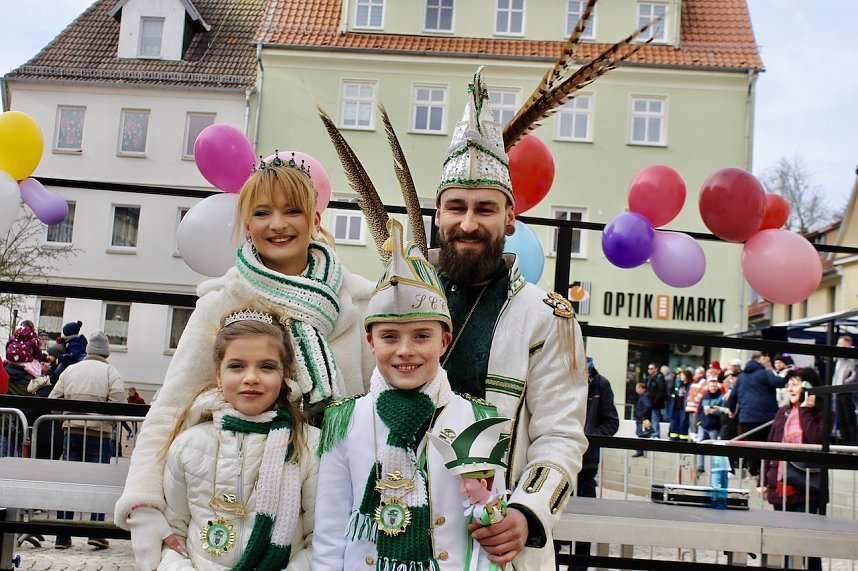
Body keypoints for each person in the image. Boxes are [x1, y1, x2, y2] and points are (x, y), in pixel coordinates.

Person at [115, 152, 375, 570]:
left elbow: (370, 413)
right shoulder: (223, 301)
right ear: (247, 224)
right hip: (223, 500)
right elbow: (171, 407)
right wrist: (144, 506)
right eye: (262, 212)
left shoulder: (357, 303)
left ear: (314, 219)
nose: (278, 224)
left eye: (292, 211)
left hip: (325, 508)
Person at [429, 68, 588, 568]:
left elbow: (561, 435)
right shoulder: (402, 301)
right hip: (402, 531)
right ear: (438, 214)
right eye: (456, 207)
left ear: (510, 218)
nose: (468, 223)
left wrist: (527, 511)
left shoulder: (547, 318)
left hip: (497, 542)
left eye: (485, 209)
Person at [314, 219, 506, 570]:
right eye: (389, 337)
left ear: (444, 342)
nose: (405, 351)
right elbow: (329, 533)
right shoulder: (345, 420)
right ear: (370, 342)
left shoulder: (477, 421)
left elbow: (487, 540)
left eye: (421, 336)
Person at [158, 307, 317, 570]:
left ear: (285, 374)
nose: (251, 378)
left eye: (266, 367)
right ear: (219, 374)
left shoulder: (309, 446)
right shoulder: (188, 445)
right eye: (237, 366)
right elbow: (174, 532)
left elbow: (319, 539)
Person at [48, 331, 125, 550]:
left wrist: (66, 417)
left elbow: (53, 400)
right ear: (106, 352)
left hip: (72, 433)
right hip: (99, 436)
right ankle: (95, 532)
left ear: (89, 350)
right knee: (98, 483)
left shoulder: (71, 370)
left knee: (70, 482)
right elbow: (119, 405)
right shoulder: (112, 373)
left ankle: (63, 535)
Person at [763, 367, 826, 571]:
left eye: (796, 383)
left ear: (808, 387)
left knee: (807, 545)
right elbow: (772, 444)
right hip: (781, 486)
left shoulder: (822, 411)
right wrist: (763, 481)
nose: (790, 387)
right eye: (789, 383)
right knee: (783, 544)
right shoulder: (783, 411)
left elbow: (817, 437)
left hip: (807, 488)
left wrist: (806, 410)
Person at [570, 357, 619, 570]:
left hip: (585, 465)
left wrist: (587, 438)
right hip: (556, 460)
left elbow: (611, 422)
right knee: (552, 520)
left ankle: (579, 566)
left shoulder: (601, 384)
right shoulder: (562, 378)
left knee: (582, 524)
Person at [726, 352, 786, 477]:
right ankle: (763, 472)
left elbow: (732, 397)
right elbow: (779, 383)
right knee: (765, 445)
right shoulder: (765, 373)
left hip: (746, 418)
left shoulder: (741, 377)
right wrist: (789, 375)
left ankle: (753, 471)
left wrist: (731, 410)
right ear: (760, 360)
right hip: (765, 418)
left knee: (750, 445)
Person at [696, 378, 726, 474]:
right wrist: (698, 422)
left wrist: (713, 412)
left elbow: (723, 412)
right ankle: (700, 466)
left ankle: (715, 468)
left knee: (715, 449)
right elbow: (699, 411)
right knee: (700, 446)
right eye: (711, 386)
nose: (713, 388)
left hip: (714, 426)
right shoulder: (704, 397)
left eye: (714, 386)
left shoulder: (721, 398)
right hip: (703, 425)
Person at [831, 335, 857, 445]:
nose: (838, 346)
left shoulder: (852, 356)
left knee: (849, 419)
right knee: (841, 420)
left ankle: (853, 444)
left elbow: (855, 374)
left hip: (847, 391)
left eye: (841, 344)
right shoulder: (839, 359)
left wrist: (846, 383)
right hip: (838, 391)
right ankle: (845, 445)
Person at [668, 368, 693, 441]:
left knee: (683, 425)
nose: (680, 376)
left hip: (684, 409)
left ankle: (682, 441)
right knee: (674, 425)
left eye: (682, 375)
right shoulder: (678, 385)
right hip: (675, 408)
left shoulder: (690, 386)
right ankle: (673, 439)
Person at [644, 363, 666, 438]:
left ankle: (656, 433)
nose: (649, 370)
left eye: (651, 368)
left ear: (656, 369)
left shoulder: (659, 378)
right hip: (649, 402)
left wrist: (654, 401)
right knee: (649, 418)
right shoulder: (649, 378)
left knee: (655, 418)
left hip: (655, 403)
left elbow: (660, 390)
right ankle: (651, 432)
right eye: (649, 368)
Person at [632, 382, 653, 457]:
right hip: (642, 419)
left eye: (637, 388)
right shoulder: (643, 396)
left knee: (641, 434)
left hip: (643, 419)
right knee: (640, 434)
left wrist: (640, 414)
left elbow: (648, 406)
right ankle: (640, 450)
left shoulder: (645, 396)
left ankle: (640, 451)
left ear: (641, 388)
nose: (636, 390)